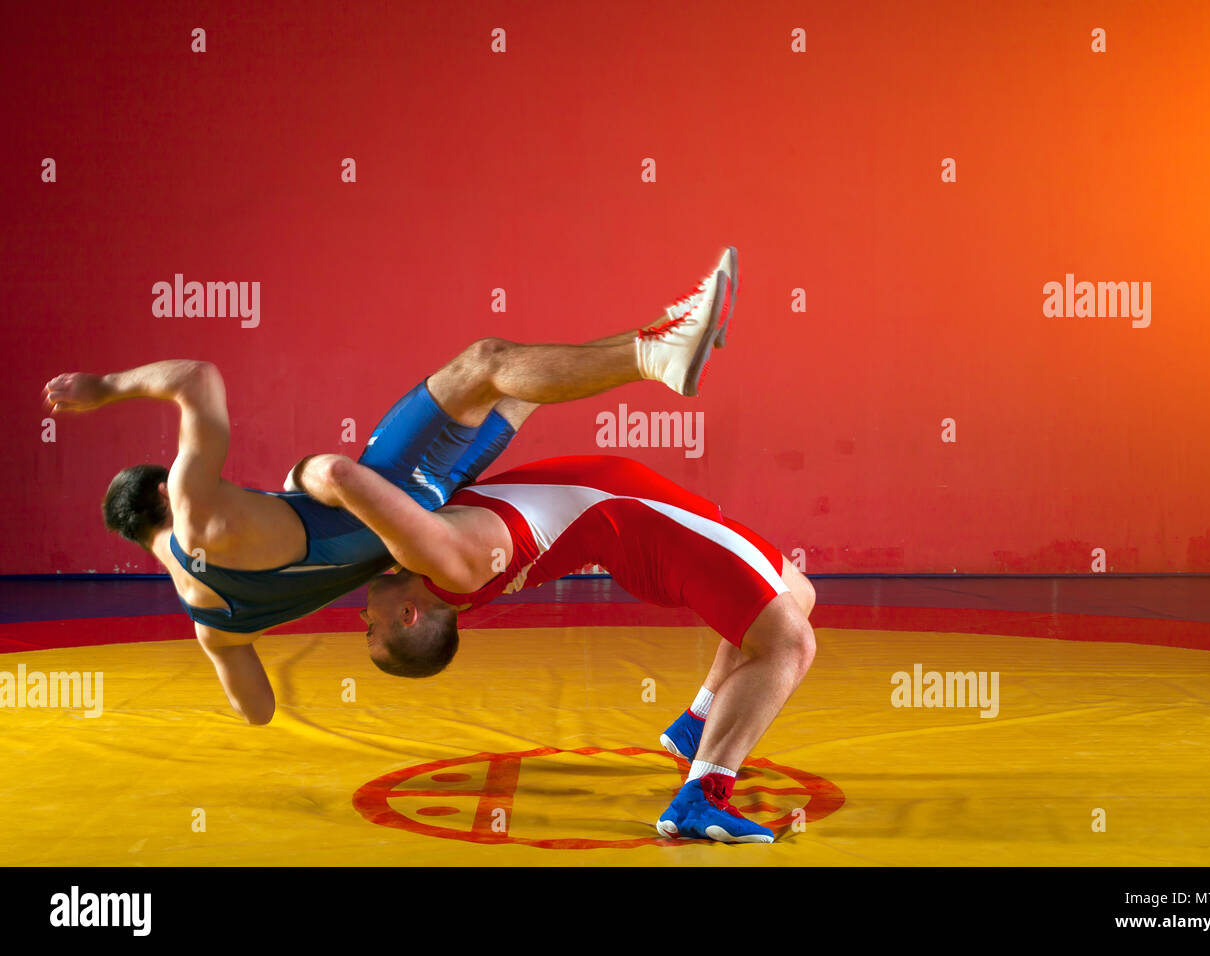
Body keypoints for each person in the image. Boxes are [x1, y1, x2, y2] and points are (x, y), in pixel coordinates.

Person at [42, 248, 738, 725]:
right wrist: (103, 389)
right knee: (485, 362)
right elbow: (197, 379)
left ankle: (670, 337)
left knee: (518, 389)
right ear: (164, 492)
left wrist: (244, 640)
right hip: (383, 488)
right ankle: (659, 350)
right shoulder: (194, 516)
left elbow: (255, 712)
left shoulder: (212, 627)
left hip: (415, 522)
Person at [292, 452, 816, 844]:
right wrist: (292, 491)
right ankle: (703, 796)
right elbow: (340, 476)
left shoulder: (439, 566)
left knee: (797, 594)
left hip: (642, 511)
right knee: (789, 642)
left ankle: (698, 723)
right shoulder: (439, 560)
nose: (361, 617)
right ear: (409, 617)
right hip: (642, 522)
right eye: (370, 630)